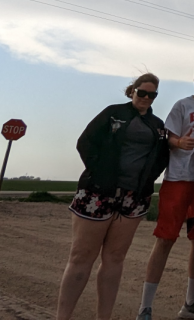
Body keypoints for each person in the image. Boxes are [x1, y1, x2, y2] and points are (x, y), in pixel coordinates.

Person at [57, 73, 169, 320]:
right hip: (97, 193)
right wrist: (100, 174)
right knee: (81, 256)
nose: (146, 98)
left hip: (133, 198)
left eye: (152, 95)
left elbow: (162, 155)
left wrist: (147, 181)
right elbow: (85, 142)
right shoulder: (112, 113)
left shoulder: (158, 125)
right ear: (133, 91)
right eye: (143, 93)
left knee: (115, 258)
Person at [138, 62, 194, 320]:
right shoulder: (182, 105)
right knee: (165, 238)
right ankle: (145, 307)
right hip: (178, 178)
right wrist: (178, 141)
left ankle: (191, 302)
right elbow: (167, 136)